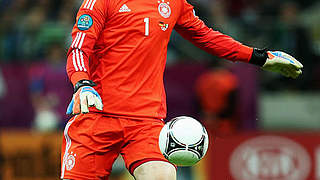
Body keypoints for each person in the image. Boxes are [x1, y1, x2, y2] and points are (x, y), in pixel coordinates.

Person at [61, 0, 303, 179]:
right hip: (97, 116)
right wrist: (82, 83)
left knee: (162, 176)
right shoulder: (101, 1)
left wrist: (260, 57)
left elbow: (207, 37)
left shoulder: (173, 3)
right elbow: (79, 48)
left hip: (145, 122)